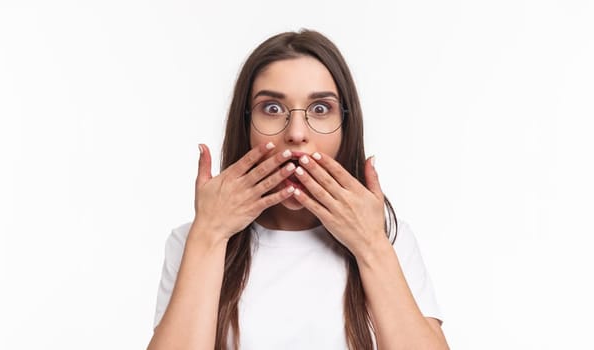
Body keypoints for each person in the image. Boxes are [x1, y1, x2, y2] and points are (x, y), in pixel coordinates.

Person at [147, 29, 448, 350]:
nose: (296, 133)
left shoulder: (389, 238)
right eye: (272, 108)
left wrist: (371, 245)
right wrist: (209, 234)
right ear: (245, 123)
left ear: (347, 126)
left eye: (320, 108)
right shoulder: (192, 241)